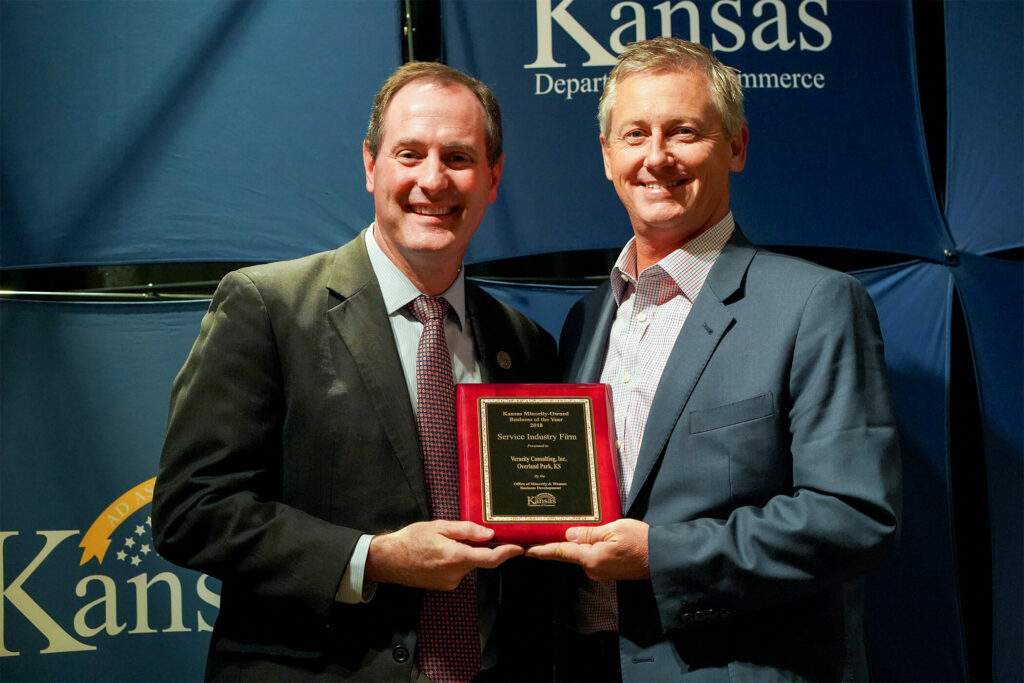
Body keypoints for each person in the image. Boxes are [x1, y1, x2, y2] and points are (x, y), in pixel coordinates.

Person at [152, 62, 557, 681]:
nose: (432, 180)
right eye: (409, 153)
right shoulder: (268, 307)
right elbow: (192, 511)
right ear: (371, 165)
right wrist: (373, 559)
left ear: (493, 177)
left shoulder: (523, 343)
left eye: (458, 157)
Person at [527, 38, 901, 681]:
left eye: (684, 132)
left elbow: (855, 515)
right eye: (635, 134)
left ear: (736, 146)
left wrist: (663, 556)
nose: (656, 157)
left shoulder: (814, 303)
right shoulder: (585, 320)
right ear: (608, 156)